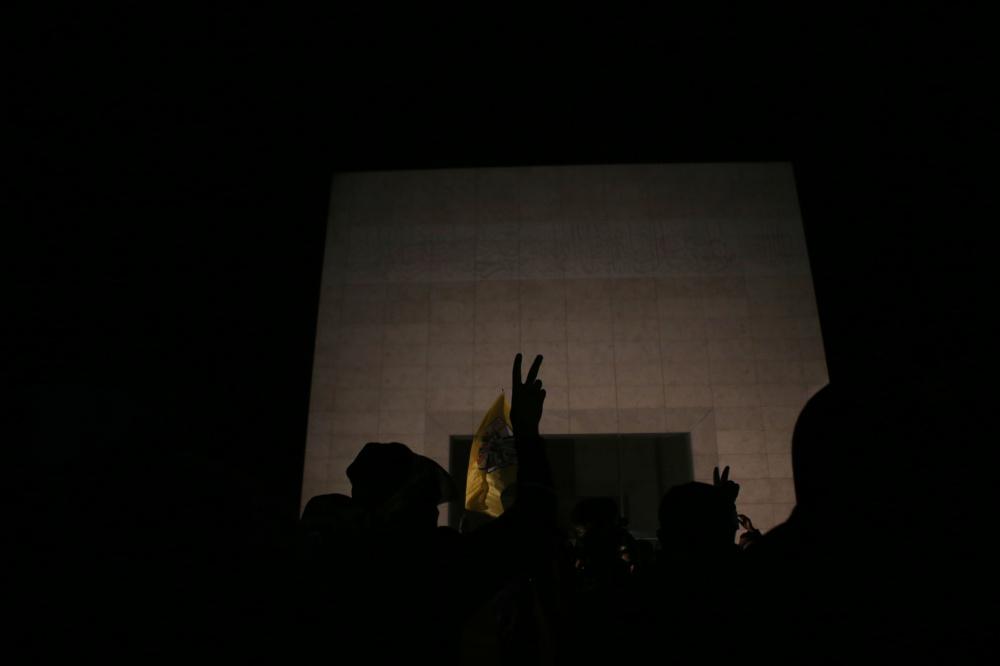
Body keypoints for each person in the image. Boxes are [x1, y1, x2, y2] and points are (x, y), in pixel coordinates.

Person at [296, 354, 556, 665]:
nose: (433, 512)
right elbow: (531, 525)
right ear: (400, 502)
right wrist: (526, 432)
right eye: (426, 499)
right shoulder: (428, 561)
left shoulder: (328, 558)